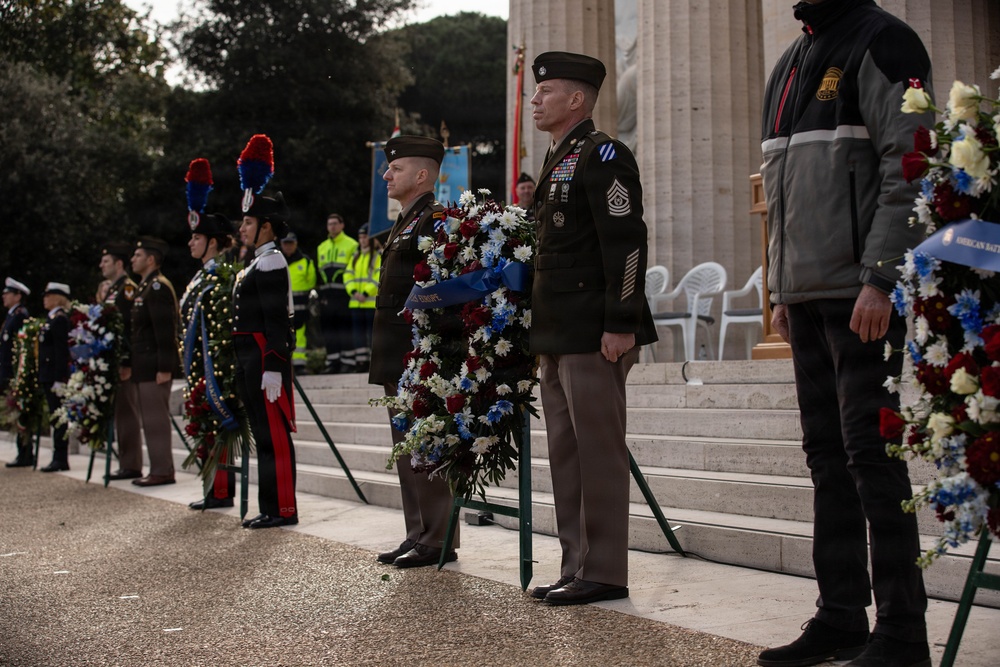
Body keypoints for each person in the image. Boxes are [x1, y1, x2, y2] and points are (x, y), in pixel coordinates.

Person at [756, 2, 932, 666]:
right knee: (827, 460)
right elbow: (780, 184)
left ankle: (902, 631)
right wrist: (780, 289)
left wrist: (882, 277)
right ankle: (840, 615)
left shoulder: (886, 40)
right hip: (806, 298)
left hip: (863, 292)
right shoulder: (790, 61)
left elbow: (910, 164)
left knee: (871, 458)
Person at [526, 51, 657, 606]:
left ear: (576, 99)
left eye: (545, 90)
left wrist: (621, 322)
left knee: (597, 454)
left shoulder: (603, 154)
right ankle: (575, 562)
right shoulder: (558, 158)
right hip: (557, 333)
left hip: (593, 333)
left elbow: (626, 242)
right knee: (565, 453)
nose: (535, 99)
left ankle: (604, 569)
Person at [370, 135, 458, 568]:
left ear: (422, 175)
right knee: (406, 447)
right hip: (397, 352)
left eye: (396, 168)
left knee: (429, 444)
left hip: (419, 353)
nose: (386, 175)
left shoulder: (434, 220)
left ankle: (439, 536)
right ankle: (417, 531)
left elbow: (437, 288)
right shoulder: (407, 220)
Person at [232, 144, 298, 528]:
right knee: (263, 436)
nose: (242, 228)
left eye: (248, 223)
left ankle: (283, 508)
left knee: (274, 437)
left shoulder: (271, 260)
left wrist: (273, 365)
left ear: (266, 226)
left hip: (263, 358)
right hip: (249, 358)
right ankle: (270, 506)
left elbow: (277, 321)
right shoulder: (256, 261)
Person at [180, 177, 237, 510]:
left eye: (197, 237)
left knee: (213, 426)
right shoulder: (201, 275)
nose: (191, 243)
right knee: (204, 428)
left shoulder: (219, 276)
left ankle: (219, 491)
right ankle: (211, 489)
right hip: (197, 366)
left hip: (212, 366)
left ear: (213, 243)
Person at [127, 236, 181, 487]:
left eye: (137, 256)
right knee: (149, 421)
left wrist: (164, 367)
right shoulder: (145, 286)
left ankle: (162, 470)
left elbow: (164, 330)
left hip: (154, 366)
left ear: (150, 259)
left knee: (156, 421)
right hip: (144, 365)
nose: (132, 259)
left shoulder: (158, 287)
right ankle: (157, 468)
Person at [100, 242, 144, 481]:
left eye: (106, 261)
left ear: (118, 264)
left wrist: (126, 361)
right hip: (113, 360)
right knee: (121, 413)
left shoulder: (126, 289)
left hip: (124, 361)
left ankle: (131, 464)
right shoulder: (112, 289)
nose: (101, 265)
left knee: (127, 413)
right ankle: (127, 462)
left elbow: (129, 327)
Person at [316, 213, 358, 373]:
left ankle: (348, 362)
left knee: (344, 328)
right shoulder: (322, 247)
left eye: (335, 223)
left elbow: (352, 269)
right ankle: (332, 362)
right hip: (327, 295)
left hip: (344, 293)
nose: (332, 226)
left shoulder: (351, 244)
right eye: (330, 224)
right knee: (329, 330)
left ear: (342, 225)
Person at [37, 282, 72, 472]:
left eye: (48, 295)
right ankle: (57, 456)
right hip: (47, 375)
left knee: (59, 418)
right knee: (54, 417)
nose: (45, 298)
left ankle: (60, 458)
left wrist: (60, 378)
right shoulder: (51, 319)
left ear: (58, 297)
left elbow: (61, 351)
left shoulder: (59, 320)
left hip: (54, 376)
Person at [2, 277, 33, 467]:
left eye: (7, 293)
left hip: (16, 371)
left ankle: (25, 453)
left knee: (20, 411)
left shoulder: (20, 315)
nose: (4, 297)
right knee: (15, 411)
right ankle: (22, 452)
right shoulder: (12, 315)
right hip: (8, 370)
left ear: (17, 295)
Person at [343, 223, 381, 374]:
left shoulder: (377, 256)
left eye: (365, 237)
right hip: (356, 302)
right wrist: (353, 291)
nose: (362, 240)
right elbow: (347, 275)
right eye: (360, 237)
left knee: (372, 334)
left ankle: (373, 362)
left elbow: (377, 277)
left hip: (369, 302)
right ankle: (361, 361)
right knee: (358, 335)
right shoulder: (356, 256)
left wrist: (365, 293)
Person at [280, 231, 317, 374]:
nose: (288, 247)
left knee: (300, 336)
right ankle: (285, 363)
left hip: (300, 306)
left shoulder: (306, 261)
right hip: (283, 305)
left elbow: (311, 282)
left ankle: (300, 364)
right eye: (285, 244)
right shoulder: (278, 260)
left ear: (295, 244)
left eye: (290, 244)